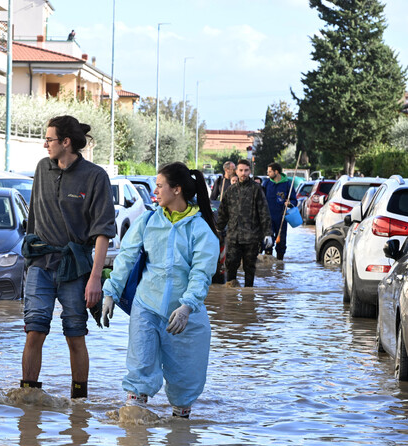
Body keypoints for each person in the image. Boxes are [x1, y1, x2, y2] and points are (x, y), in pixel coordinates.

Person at [101, 162, 220, 418]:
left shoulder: (200, 230)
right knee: (139, 371)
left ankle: (179, 444)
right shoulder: (148, 221)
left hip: (184, 314)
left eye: (159, 185)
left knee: (184, 383)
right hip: (146, 306)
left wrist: (187, 306)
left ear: (176, 189)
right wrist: (110, 291)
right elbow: (126, 257)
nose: (155, 191)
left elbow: (201, 274)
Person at [20, 115, 116, 399]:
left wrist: (95, 279)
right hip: (40, 263)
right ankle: (28, 397)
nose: (45, 144)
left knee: (75, 334)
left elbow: (103, 232)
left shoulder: (96, 176)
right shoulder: (42, 168)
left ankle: (79, 402)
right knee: (34, 330)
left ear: (66, 142)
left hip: (75, 268)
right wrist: (29, 260)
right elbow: (33, 220)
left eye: (49, 139)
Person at [215, 159, 272, 287]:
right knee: (230, 266)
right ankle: (232, 298)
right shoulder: (230, 190)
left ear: (250, 171)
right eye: (241, 170)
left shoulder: (256, 189)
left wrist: (268, 233)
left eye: (246, 170)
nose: (243, 173)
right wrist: (218, 230)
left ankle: (248, 297)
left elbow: (264, 212)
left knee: (249, 268)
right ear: (236, 171)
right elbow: (223, 212)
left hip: (251, 237)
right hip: (233, 237)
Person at [264, 162, 297, 260]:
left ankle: (279, 264)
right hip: (268, 217)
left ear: (276, 172)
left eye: (270, 171)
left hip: (281, 217)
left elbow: (294, 200)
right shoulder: (266, 183)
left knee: (281, 242)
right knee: (267, 242)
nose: (268, 173)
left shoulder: (287, 184)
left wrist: (289, 203)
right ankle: (267, 265)